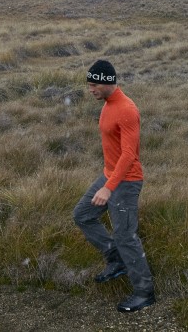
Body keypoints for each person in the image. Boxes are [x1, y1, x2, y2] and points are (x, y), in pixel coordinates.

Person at [72, 60, 156, 313]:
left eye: (94, 84)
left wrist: (108, 188)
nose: (90, 89)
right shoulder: (107, 105)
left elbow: (129, 154)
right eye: (88, 85)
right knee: (83, 215)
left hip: (127, 181)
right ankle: (116, 259)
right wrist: (107, 182)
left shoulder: (127, 109)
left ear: (107, 81)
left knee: (125, 236)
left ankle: (144, 292)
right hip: (109, 175)